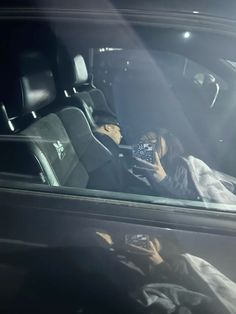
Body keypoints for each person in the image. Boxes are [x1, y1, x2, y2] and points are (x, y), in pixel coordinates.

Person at [136, 128, 236, 204]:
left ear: (168, 142)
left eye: (152, 141)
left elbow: (199, 200)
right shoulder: (143, 167)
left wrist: (164, 179)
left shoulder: (183, 165)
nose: (147, 145)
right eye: (143, 141)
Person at [87, 111, 152, 194]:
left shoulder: (101, 144)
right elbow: (115, 186)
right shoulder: (104, 146)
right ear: (108, 127)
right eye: (119, 130)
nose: (121, 136)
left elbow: (122, 173)